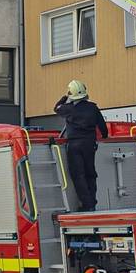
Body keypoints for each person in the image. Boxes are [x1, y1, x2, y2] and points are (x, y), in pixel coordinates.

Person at [54, 79, 108, 212]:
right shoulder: (93, 107)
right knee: (90, 173)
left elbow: (56, 108)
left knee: (78, 175)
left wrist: (65, 97)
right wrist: (104, 136)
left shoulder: (68, 109)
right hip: (90, 145)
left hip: (74, 145)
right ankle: (92, 203)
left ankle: (86, 204)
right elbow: (103, 127)